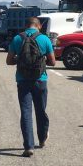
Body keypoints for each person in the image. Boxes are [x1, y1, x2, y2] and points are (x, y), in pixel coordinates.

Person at [6, 16, 55, 157]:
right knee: (41, 110)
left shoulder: (17, 38)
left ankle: (28, 146)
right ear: (38, 26)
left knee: (26, 112)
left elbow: (9, 61)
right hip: (40, 80)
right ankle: (42, 138)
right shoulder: (44, 38)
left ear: (26, 26)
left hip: (22, 80)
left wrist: (20, 59)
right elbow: (53, 62)